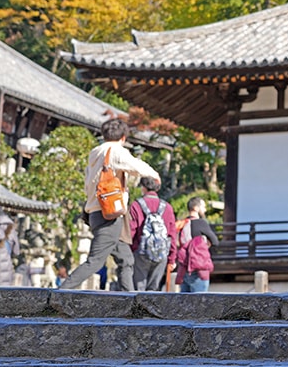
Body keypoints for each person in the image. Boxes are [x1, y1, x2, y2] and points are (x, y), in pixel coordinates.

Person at [60, 118, 159, 291]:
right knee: (95, 261)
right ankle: (62, 290)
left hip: (96, 212)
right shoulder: (115, 151)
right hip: (109, 213)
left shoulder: (95, 152)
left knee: (126, 259)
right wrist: (154, 175)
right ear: (122, 137)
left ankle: (129, 297)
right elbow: (135, 166)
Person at [128, 177, 177, 291]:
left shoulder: (136, 205)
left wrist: (131, 250)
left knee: (138, 290)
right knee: (153, 290)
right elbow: (172, 234)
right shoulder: (167, 207)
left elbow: (131, 230)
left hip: (141, 251)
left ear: (143, 188)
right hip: (161, 253)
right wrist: (172, 258)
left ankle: (138, 309)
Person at [174, 197, 218, 293]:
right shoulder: (201, 223)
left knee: (185, 304)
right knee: (200, 304)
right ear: (196, 208)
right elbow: (215, 241)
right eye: (203, 206)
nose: (205, 210)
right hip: (198, 269)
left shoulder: (182, 224)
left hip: (183, 268)